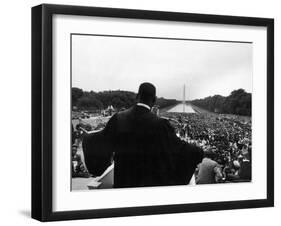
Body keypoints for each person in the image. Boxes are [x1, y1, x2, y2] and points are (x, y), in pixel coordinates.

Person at [102, 82, 204, 188]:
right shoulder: (161, 124)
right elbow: (179, 148)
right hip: (148, 186)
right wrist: (198, 151)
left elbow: (101, 146)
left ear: (137, 97)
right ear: (154, 100)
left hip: (123, 184)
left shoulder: (117, 119)